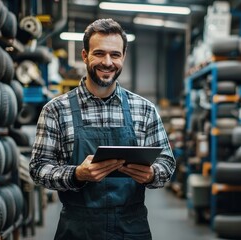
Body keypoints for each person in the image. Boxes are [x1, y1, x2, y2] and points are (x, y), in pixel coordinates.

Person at [29, 18, 176, 240]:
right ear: (85, 55)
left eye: (115, 55)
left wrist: (152, 174)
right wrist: (76, 174)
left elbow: (167, 162)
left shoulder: (144, 109)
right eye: (99, 53)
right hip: (78, 229)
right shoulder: (56, 110)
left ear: (123, 57)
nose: (107, 62)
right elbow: (38, 169)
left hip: (131, 228)